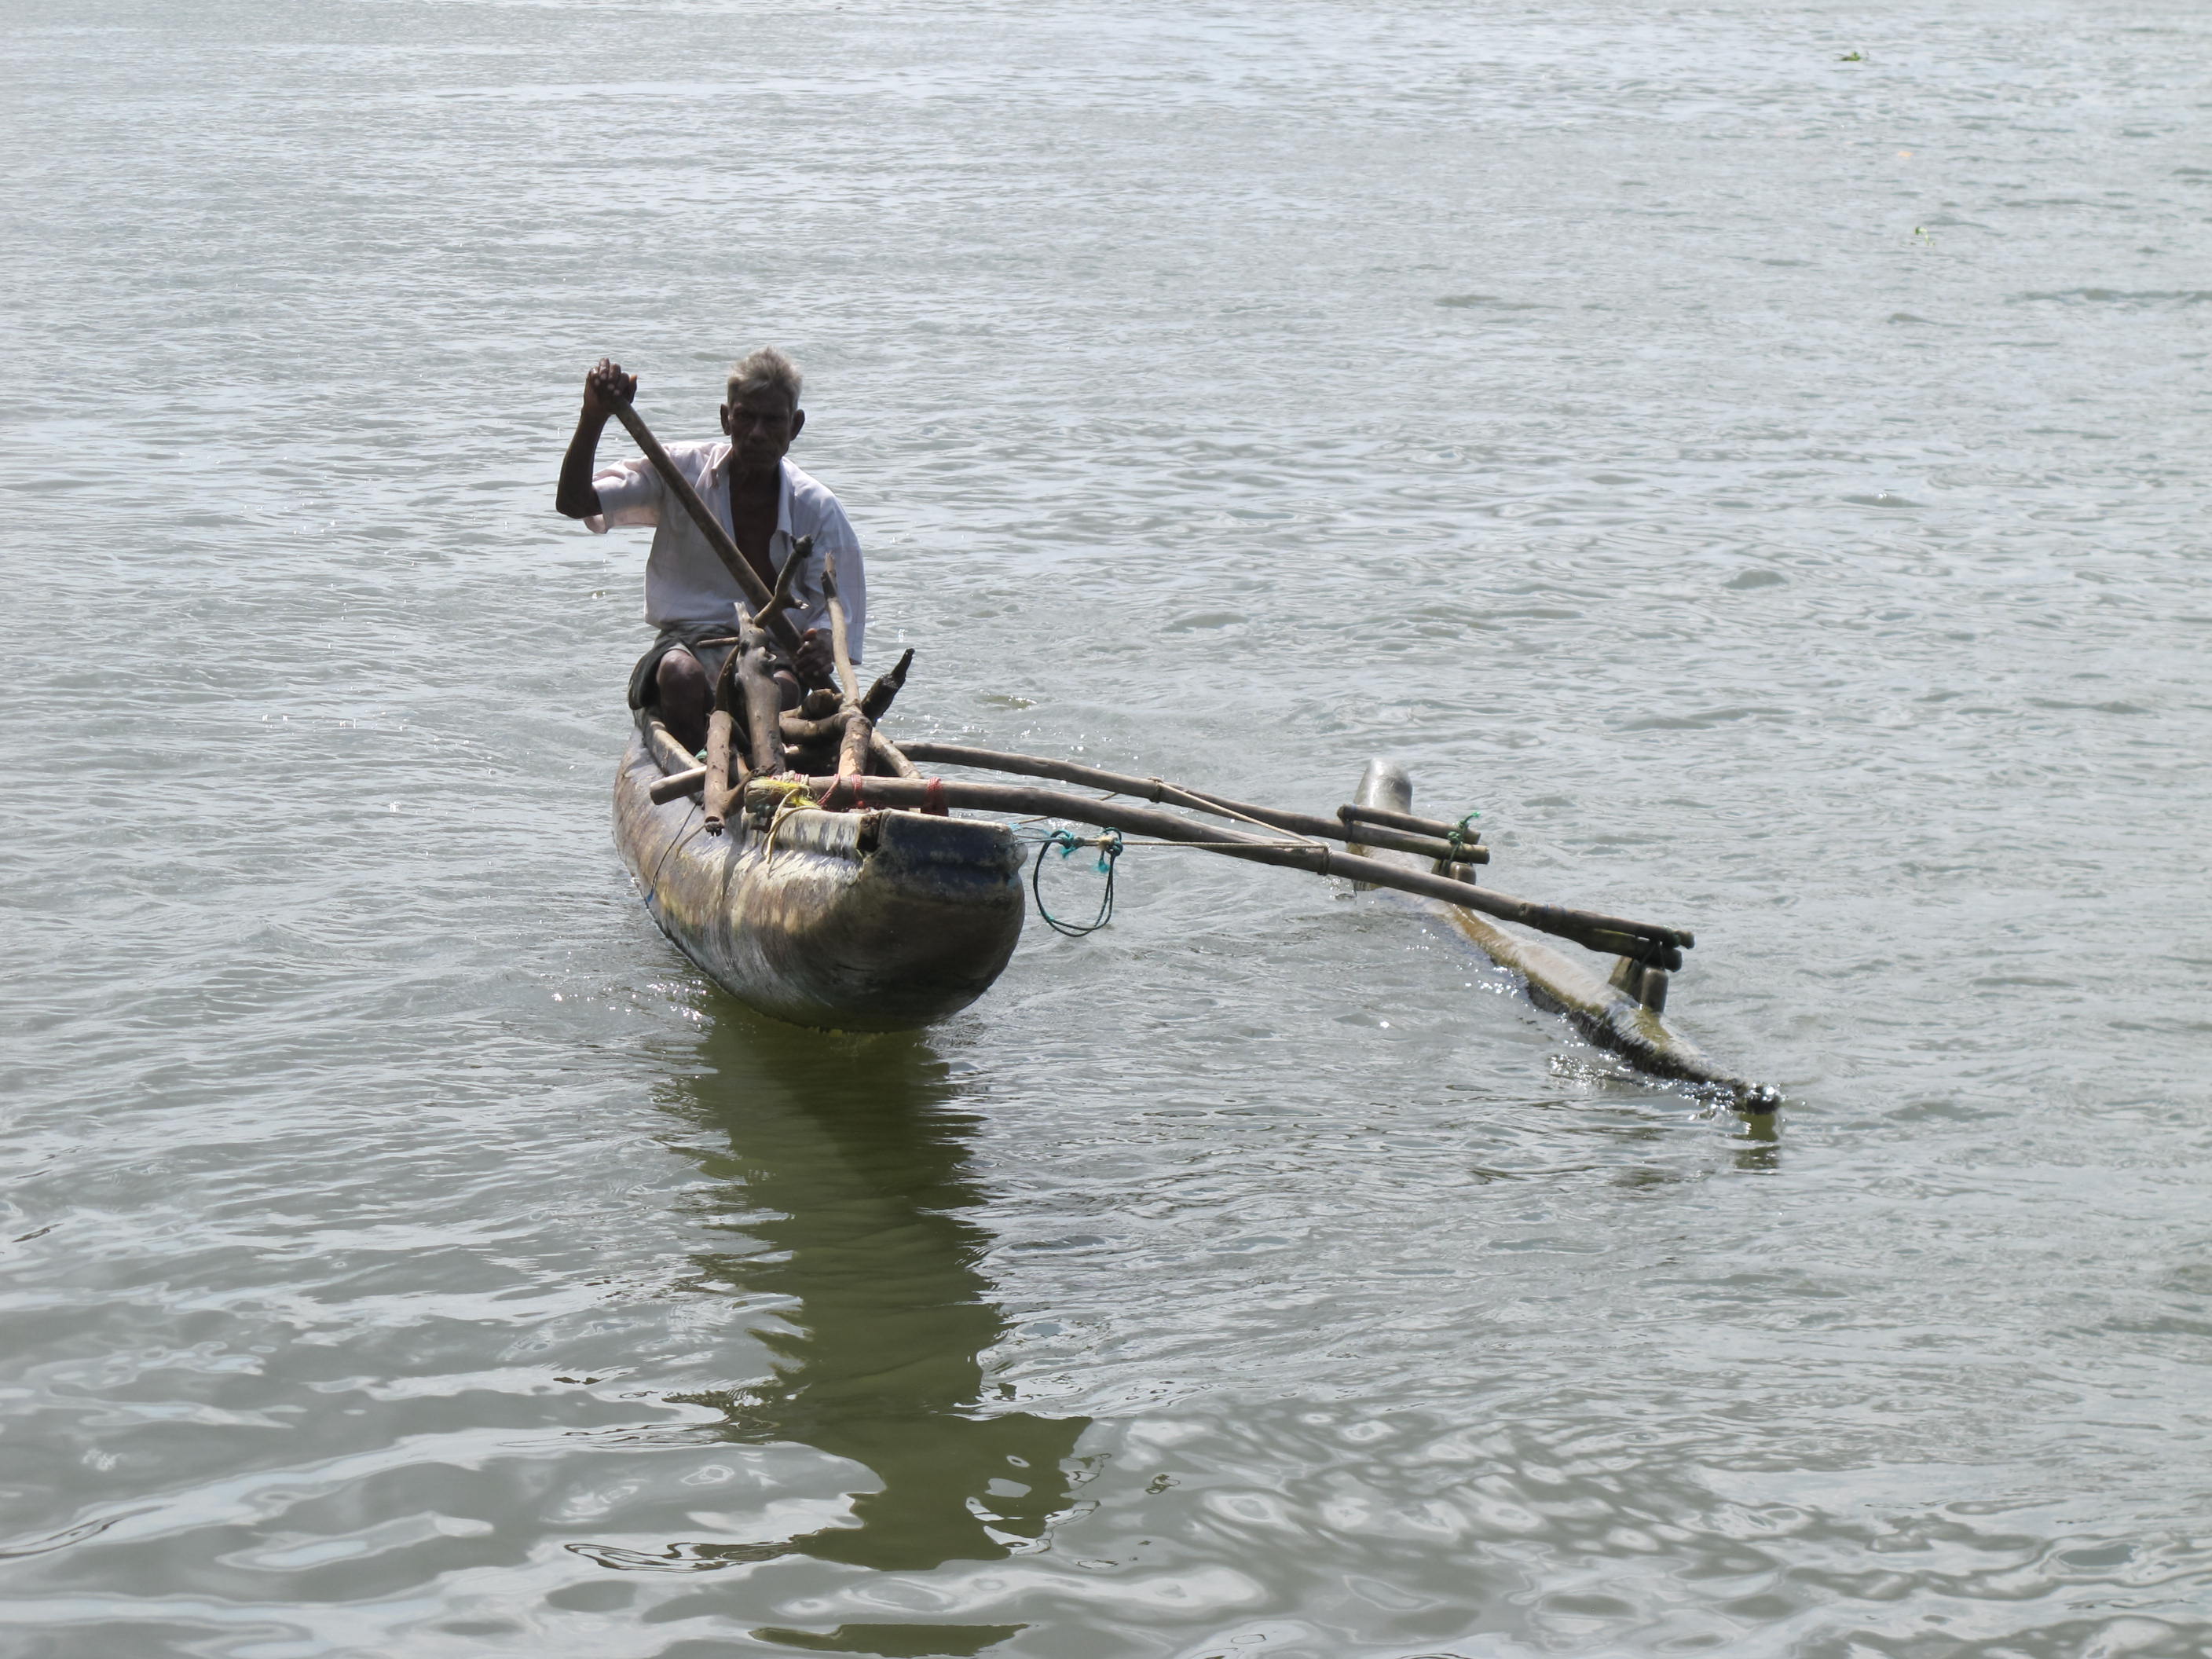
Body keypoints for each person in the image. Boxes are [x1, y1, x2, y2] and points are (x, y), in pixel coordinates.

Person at [555, 347, 864, 752]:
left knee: (779, 692)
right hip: (689, 642)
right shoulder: (678, 472)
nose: (756, 433)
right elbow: (575, 503)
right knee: (680, 676)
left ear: (795, 426)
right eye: (745, 417)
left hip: (773, 650)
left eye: (772, 421)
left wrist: (821, 646)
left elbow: (836, 617)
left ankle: (763, 776)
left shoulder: (818, 509)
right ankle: (702, 782)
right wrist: (593, 416)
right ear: (725, 418)